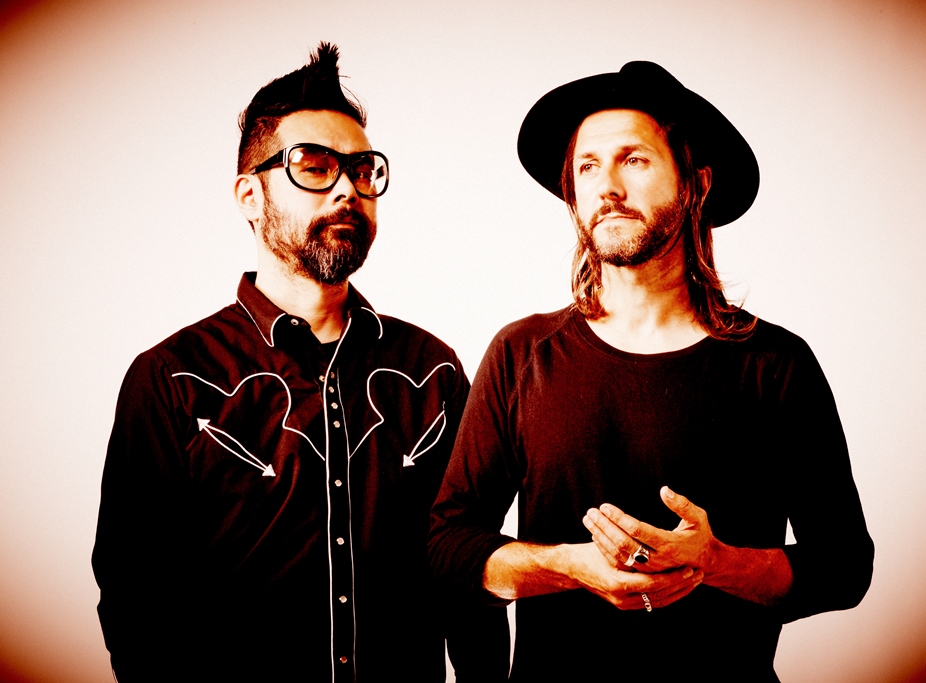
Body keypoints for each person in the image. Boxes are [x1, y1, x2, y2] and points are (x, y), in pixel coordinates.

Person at [428, 61, 874, 681]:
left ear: (696, 184)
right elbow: (447, 545)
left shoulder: (775, 365)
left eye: (633, 160)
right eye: (587, 167)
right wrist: (570, 566)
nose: (606, 187)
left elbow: (845, 567)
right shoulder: (522, 354)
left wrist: (714, 563)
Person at [92, 43, 507, 682]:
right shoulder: (172, 379)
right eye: (314, 166)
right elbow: (136, 598)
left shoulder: (432, 371)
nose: (347, 189)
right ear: (250, 196)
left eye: (363, 171)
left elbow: (464, 568)